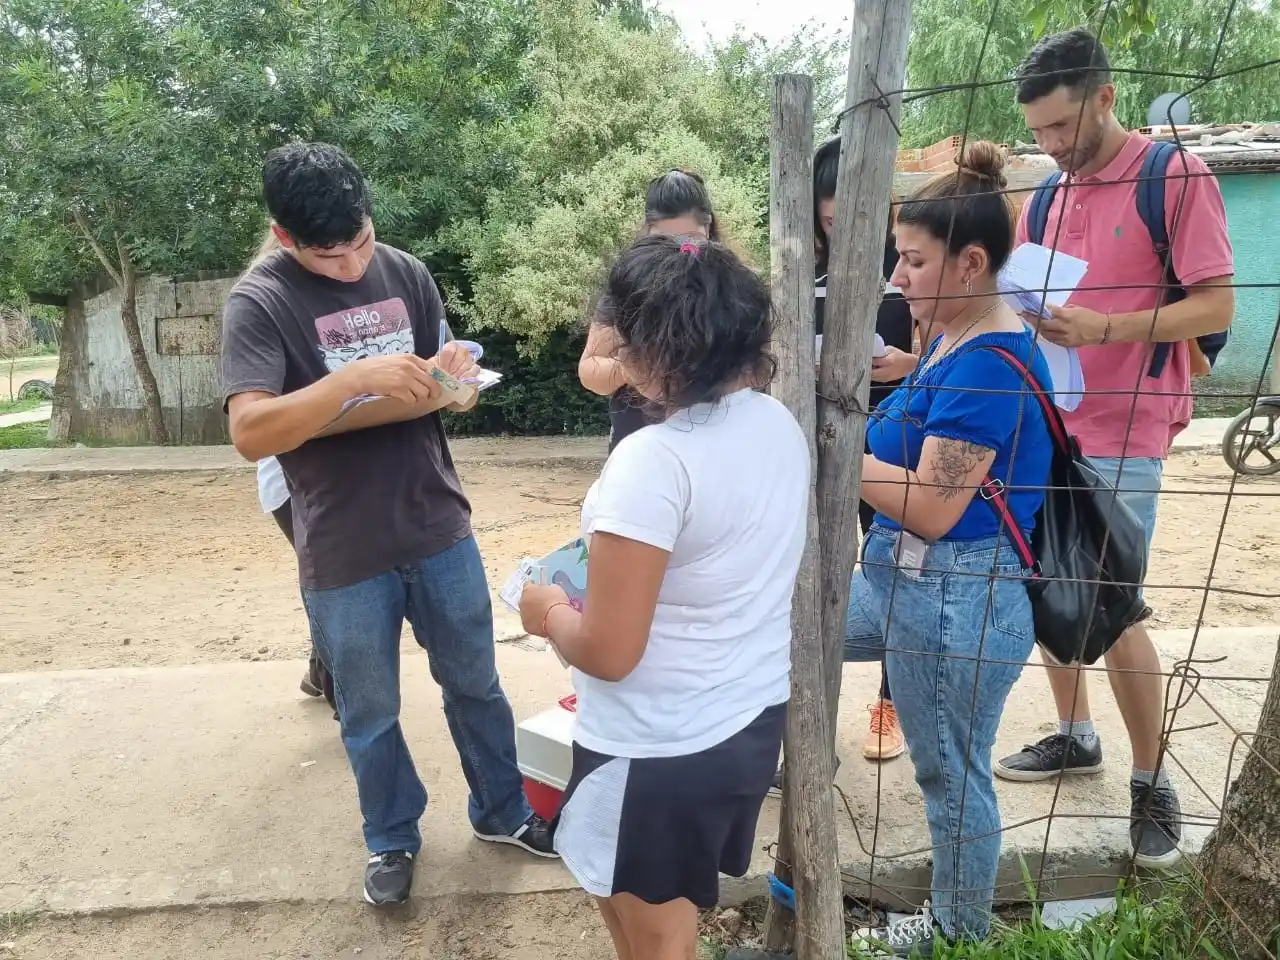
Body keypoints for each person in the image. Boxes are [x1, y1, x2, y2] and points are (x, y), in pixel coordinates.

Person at [220, 142, 557, 909]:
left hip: (437, 521)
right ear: (284, 237)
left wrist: (456, 386)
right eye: (328, 255)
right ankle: (391, 837)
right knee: (370, 712)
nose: (349, 266)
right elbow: (250, 432)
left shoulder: (404, 271)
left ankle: (503, 812)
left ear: (371, 215)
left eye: (360, 243)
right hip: (343, 544)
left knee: (477, 684)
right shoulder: (259, 301)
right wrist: (353, 382)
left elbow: (444, 381)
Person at [520, 235, 809, 960]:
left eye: (622, 344)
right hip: (740, 717)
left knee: (654, 938)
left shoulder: (654, 461)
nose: (615, 361)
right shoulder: (776, 424)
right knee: (640, 916)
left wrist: (545, 611)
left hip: (656, 745)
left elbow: (612, 652)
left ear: (658, 352)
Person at [994, 28, 1235, 871]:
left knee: (1113, 601)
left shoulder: (1175, 178)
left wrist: (1111, 327)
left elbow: (1214, 306)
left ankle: (1150, 778)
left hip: (1128, 424)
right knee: (1045, 583)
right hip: (1045, 420)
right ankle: (1075, 733)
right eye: (1040, 134)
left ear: (1103, 97)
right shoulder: (1050, 195)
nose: (1053, 146)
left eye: (1064, 127)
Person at [841, 141, 1054, 955]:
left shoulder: (989, 361)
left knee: (949, 778)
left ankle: (956, 933)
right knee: (799, 633)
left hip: (957, 597)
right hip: (912, 586)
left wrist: (837, 455)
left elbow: (932, 507)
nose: (897, 279)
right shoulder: (949, 338)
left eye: (911, 261)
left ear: (971, 262)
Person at [814, 134, 918, 763]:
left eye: (848, 215)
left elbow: (936, 355)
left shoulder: (909, 269)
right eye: (827, 218)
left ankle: (890, 700)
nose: (838, 229)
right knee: (821, 568)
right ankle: (812, 711)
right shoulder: (804, 273)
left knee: (892, 567)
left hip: (894, 442)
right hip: (823, 443)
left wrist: (901, 366)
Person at [578, 169, 721, 450]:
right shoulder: (629, 286)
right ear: (647, 231)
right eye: (665, 240)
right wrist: (635, 367)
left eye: (690, 240)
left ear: (709, 229)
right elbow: (590, 368)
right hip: (638, 447)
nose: (677, 252)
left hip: (713, 449)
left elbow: (757, 370)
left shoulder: (731, 286)